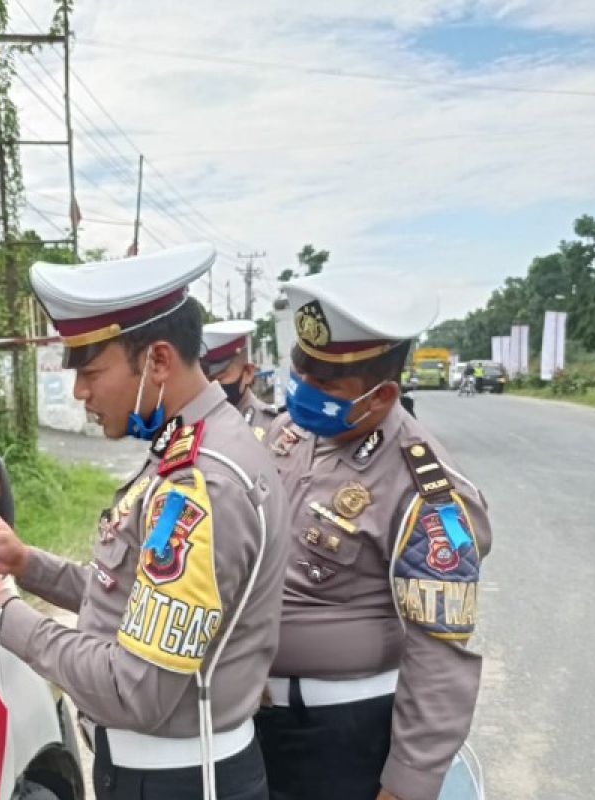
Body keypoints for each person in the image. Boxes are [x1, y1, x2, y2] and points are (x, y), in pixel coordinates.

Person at [0, 242, 290, 800]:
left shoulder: (198, 485)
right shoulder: (191, 446)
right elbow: (133, 596)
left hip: (181, 782)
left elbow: (134, 689)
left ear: (159, 361)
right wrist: (26, 564)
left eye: (92, 371)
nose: (80, 392)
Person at [255, 271, 492, 800]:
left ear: (382, 393)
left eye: (325, 381)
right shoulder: (290, 433)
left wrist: (407, 785)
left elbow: (440, 656)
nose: (303, 388)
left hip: (344, 738)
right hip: (253, 721)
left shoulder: (427, 492)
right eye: (300, 368)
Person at [201, 319, 277, 441]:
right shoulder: (197, 427)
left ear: (248, 373)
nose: (212, 387)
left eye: (219, 379)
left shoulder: (272, 427)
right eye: (207, 381)